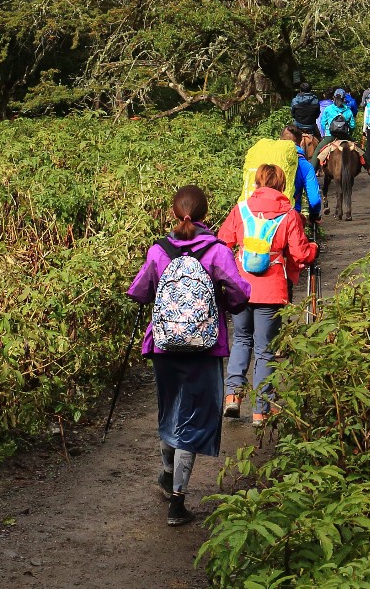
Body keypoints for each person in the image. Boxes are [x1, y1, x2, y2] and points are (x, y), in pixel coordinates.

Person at [126, 184, 250, 526]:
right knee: (193, 420)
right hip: (205, 348)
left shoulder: (159, 250)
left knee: (170, 409)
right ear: (205, 215)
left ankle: (167, 473)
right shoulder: (216, 251)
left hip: (163, 346)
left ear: (172, 213)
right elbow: (240, 291)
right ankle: (177, 503)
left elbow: (139, 291)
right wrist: (224, 303)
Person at [218, 162, 316, 429]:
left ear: (257, 183)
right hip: (271, 290)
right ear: (282, 184)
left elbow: (223, 244)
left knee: (241, 339)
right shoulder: (290, 215)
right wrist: (313, 249)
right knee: (265, 350)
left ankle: (232, 396)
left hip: (240, 288)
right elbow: (300, 254)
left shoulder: (240, 210)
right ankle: (261, 411)